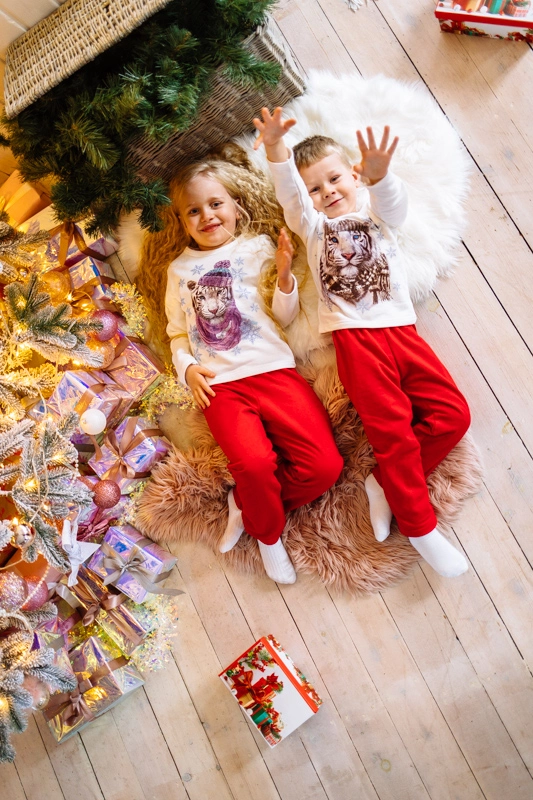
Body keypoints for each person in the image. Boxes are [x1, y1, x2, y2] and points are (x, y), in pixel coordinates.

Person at [253, 108, 471, 578]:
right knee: (393, 435)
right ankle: (420, 528)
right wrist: (274, 148)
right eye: (316, 188)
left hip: (402, 331)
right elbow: (290, 194)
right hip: (356, 343)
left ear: (353, 176)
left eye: (334, 179)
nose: (327, 192)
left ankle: (384, 484)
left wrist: (381, 175)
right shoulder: (314, 228)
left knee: (453, 415)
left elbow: (396, 207)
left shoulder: (375, 214)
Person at [137, 144, 343, 584]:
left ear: (235, 205)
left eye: (216, 204)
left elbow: (283, 315)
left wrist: (284, 276)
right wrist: (186, 368)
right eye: (194, 211)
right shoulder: (179, 271)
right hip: (221, 385)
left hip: (274, 371)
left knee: (325, 467)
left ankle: (246, 505)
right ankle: (268, 538)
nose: (207, 216)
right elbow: (176, 332)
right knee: (254, 465)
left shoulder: (258, 247)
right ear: (181, 221)